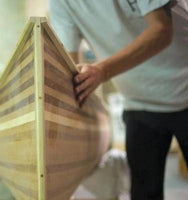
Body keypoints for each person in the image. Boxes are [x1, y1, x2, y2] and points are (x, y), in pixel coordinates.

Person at [49, 0, 188, 199]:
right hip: (139, 102)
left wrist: (102, 70)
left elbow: (161, 30)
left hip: (185, 90)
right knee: (143, 193)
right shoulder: (61, 3)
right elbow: (69, 66)